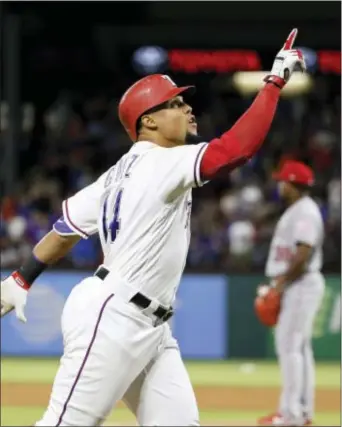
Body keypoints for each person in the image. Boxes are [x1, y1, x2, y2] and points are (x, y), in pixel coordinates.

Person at [1, 30, 305, 426]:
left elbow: (65, 230)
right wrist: (274, 81)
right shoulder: (164, 162)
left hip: (151, 327)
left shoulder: (116, 174)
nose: (187, 109)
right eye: (175, 104)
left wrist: (22, 279)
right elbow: (234, 151)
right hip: (114, 315)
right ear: (148, 121)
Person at [258, 160, 325, 427]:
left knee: (289, 347)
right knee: (299, 348)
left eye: (283, 181)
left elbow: (303, 254)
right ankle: (302, 412)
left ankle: (291, 414)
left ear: (294, 184)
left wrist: (280, 284)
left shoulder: (304, 212)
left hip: (301, 284)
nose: (280, 185)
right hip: (298, 284)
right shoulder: (299, 210)